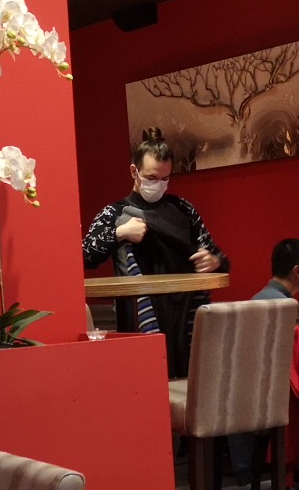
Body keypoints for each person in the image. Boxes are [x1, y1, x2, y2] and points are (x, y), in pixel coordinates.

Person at [82, 127, 228, 378]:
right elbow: (85, 255)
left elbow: (217, 256)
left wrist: (213, 261)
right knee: (146, 380)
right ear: (134, 172)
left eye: (165, 178)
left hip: (185, 314)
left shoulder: (183, 210)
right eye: (151, 177)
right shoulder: (115, 213)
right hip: (137, 316)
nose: (158, 184)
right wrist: (119, 233)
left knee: (188, 380)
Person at [229, 238, 299, 489]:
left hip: (241, 399)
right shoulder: (282, 305)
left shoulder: (259, 298)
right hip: (264, 401)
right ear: (298, 271)